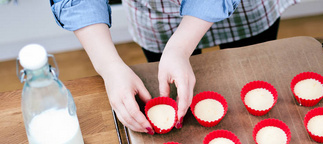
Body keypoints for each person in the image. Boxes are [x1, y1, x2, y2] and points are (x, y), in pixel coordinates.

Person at [50, 0, 298, 134]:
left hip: (245, 9)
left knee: (249, 76)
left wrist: (180, 47)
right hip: (156, 13)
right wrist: (109, 66)